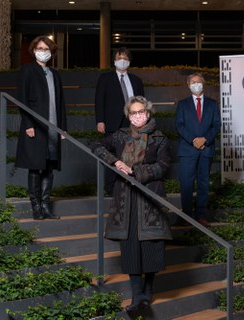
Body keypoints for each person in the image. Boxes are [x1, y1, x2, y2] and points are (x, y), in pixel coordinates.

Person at [91, 96, 171, 314]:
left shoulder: (160, 138)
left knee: (152, 246)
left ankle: (148, 292)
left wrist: (137, 172)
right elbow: (96, 145)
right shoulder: (120, 136)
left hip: (150, 196)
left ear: (148, 113)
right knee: (130, 247)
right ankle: (137, 296)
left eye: (142, 112)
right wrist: (115, 162)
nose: (138, 116)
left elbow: (163, 166)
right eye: (134, 113)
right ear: (129, 115)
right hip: (126, 199)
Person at [15, 35, 67, 220]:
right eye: (40, 48)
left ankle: (46, 207)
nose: (43, 52)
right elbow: (22, 100)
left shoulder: (54, 74)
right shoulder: (28, 71)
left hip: (53, 127)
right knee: (35, 167)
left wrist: (62, 128)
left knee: (49, 168)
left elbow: (60, 103)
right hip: (36, 127)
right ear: (34, 50)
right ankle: (36, 208)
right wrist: (28, 124)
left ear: (51, 52)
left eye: (46, 49)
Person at [94, 47, 145, 195]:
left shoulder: (136, 80)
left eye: (125, 58)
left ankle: (128, 185)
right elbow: (99, 100)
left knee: (131, 155)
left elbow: (142, 102)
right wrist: (100, 120)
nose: (122, 61)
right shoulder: (105, 78)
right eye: (119, 58)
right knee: (111, 155)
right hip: (111, 123)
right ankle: (110, 188)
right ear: (114, 60)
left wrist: (142, 121)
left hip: (132, 124)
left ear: (129, 61)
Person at [175, 73, 221, 227]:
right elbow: (179, 125)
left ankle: (201, 216)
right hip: (188, 150)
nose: (196, 84)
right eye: (193, 82)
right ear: (189, 85)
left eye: (199, 82)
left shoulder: (213, 104)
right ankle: (187, 216)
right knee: (186, 183)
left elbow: (216, 125)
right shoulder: (182, 104)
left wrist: (204, 139)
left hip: (206, 149)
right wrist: (193, 140)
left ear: (204, 83)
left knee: (203, 183)